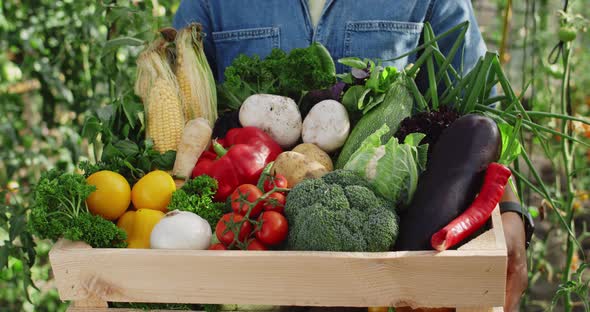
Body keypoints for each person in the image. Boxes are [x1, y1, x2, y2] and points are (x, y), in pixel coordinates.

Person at [173, 1, 534, 311]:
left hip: (388, 277)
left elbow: (482, 112)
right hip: (246, 252)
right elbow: (178, 102)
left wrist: (510, 209)